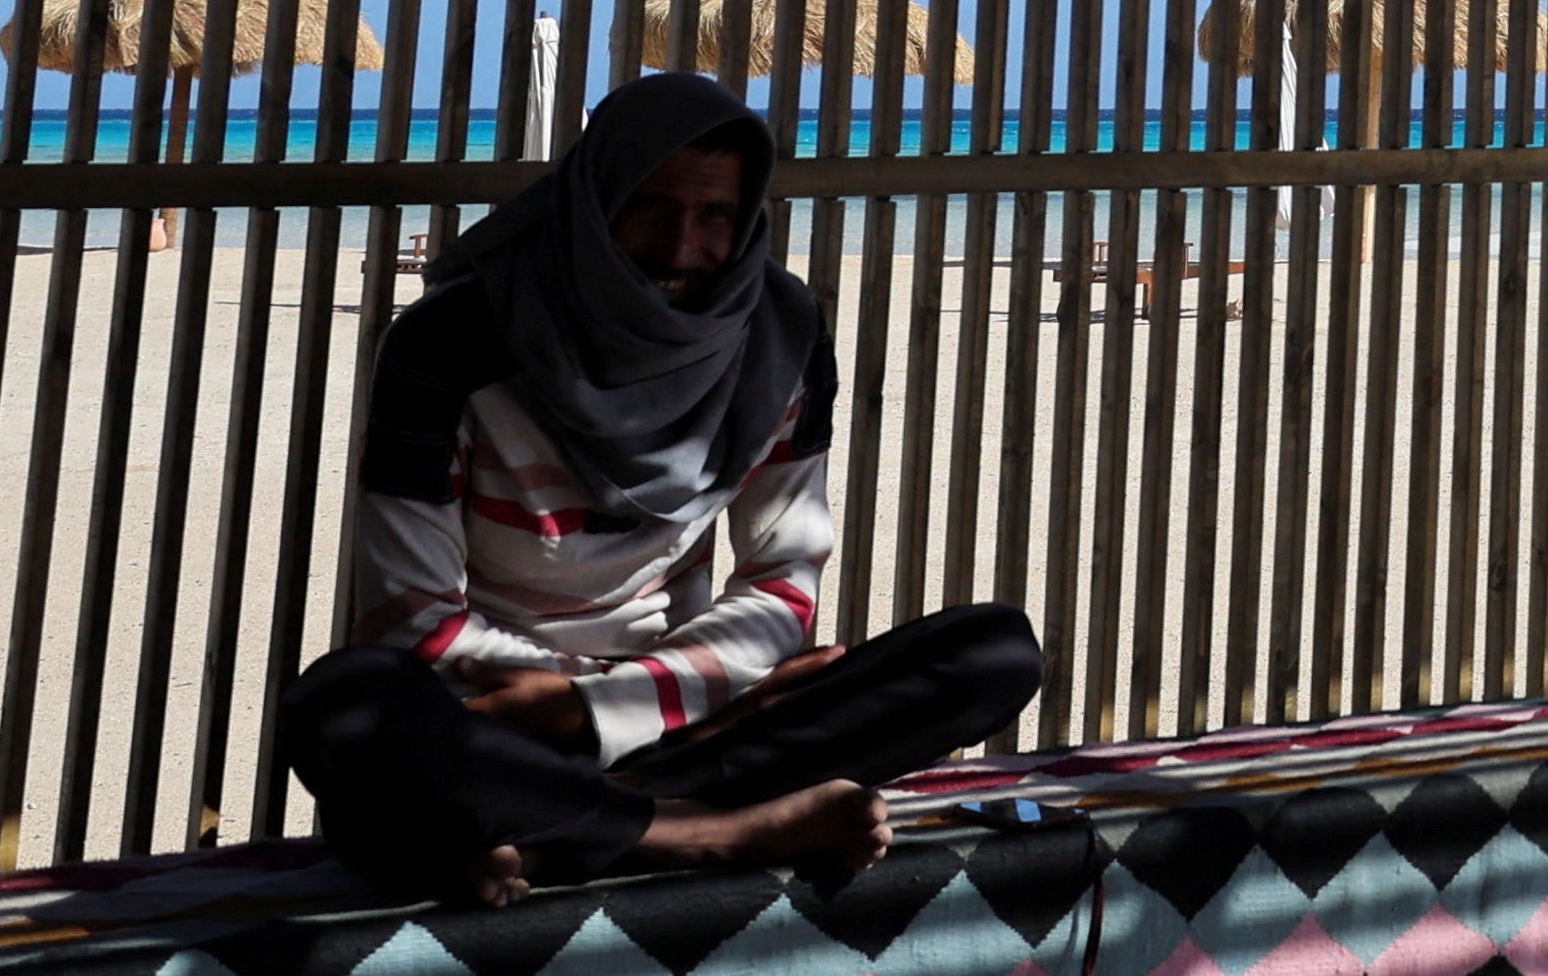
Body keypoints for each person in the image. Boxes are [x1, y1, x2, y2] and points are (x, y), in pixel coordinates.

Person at [283, 68, 1038, 902]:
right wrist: (586, 705)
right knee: (344, 704)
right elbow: (412, 617)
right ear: (594, 198)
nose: (683, 249)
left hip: (680, 718)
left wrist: (607, 705)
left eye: (715, 214)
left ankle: (553, 833)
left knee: (995, 649)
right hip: (489, 723)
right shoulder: (448, 344)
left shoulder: (779, 339)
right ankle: (708, 832)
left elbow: (783, 585)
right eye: (652, 206)